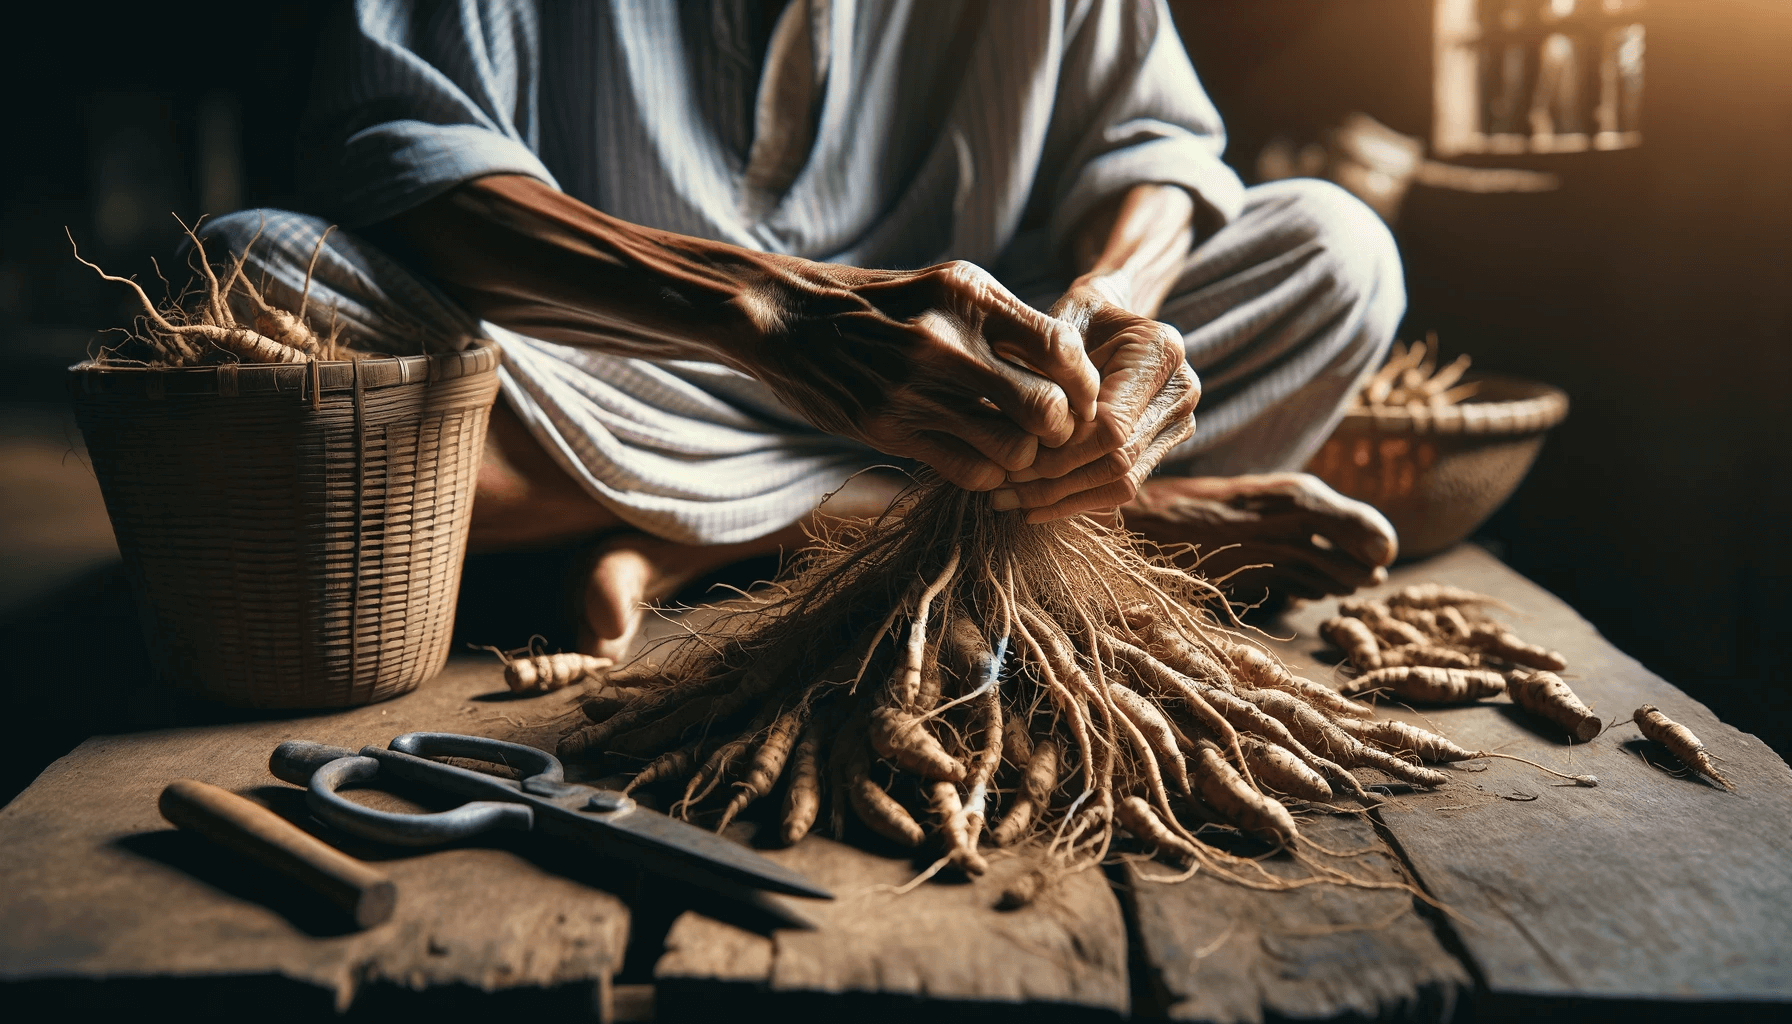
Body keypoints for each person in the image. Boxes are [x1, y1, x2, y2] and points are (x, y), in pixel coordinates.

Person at [204, 0, 1403, 657]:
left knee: (1335, 255)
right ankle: (967, 526)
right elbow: (404, 156)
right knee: (256, 279)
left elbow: (1153, 147)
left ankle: (714, 539)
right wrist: (767, 312)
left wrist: (1110, 310)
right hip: (621, 378)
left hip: (971, 394)